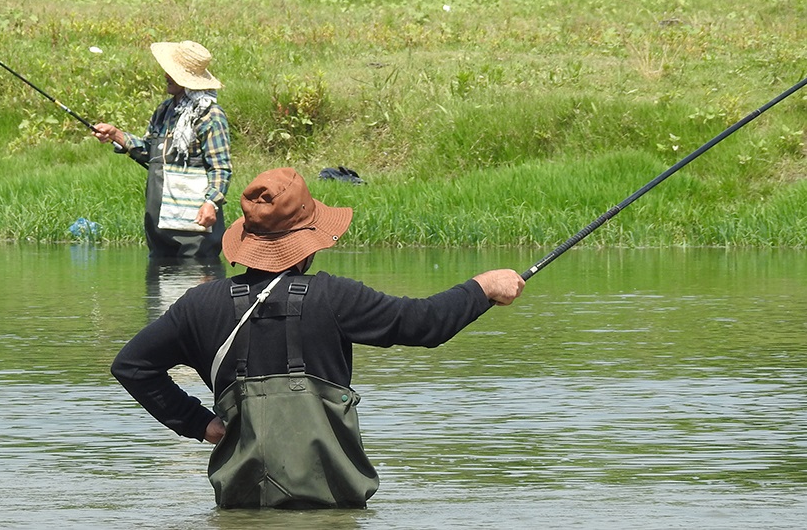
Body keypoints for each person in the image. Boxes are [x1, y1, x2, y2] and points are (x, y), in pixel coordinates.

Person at [111, 167, 525, 509]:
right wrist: (482, 287)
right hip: (331, 506)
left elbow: (132, 366)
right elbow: (425, 324)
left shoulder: (199, 305)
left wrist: (201, 424)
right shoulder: (334, 297)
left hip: (240, 504)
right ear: (308, 242)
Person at [94, 41, 232, 260]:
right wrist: (116, 135)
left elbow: (220, 167)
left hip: (195, 227)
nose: (166, 76)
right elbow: (150, 151)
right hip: (159, 225)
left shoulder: (210, 116)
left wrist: (211, 203)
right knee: (157, 279)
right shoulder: (164, 110)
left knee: (197, 279)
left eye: (172, 73)